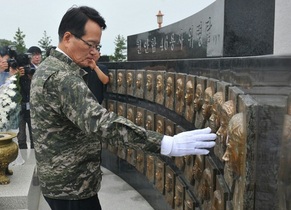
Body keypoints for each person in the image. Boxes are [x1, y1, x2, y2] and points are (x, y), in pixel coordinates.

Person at [30, 6, 216, 210]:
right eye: (90, 45)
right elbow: (102, 124)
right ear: (67, 37)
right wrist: (166, 143)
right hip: (71, 188)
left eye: (97, 46)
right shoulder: (62, 78)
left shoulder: (48, 68)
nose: (94, 53)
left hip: (60, 181)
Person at [17, 46, 42, 149]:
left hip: (34, 107)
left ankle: (33, 158)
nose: (37, 57)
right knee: (21, 137)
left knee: (34, 136)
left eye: (38, 54)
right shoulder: (22, 69)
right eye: (34, 55)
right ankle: (23, 157)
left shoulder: (42, 69)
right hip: (21, 106)